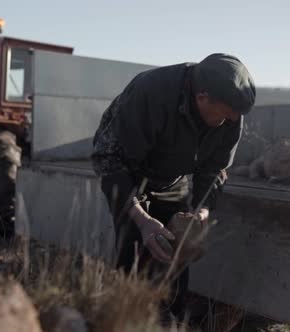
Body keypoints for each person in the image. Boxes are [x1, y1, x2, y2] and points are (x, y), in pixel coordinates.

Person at [91, 53, 256, 320]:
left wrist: (201, 213)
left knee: (177, 252)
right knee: (134, 256)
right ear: (202, 97)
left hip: (172, 177)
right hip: (130, 173)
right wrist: (143, 221)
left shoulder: (232, 109)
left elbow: (214, 169)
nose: (232, 121)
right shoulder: (150, 94)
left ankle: (170, 319)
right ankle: (126, 319)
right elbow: (108, 161)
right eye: (226, 116)